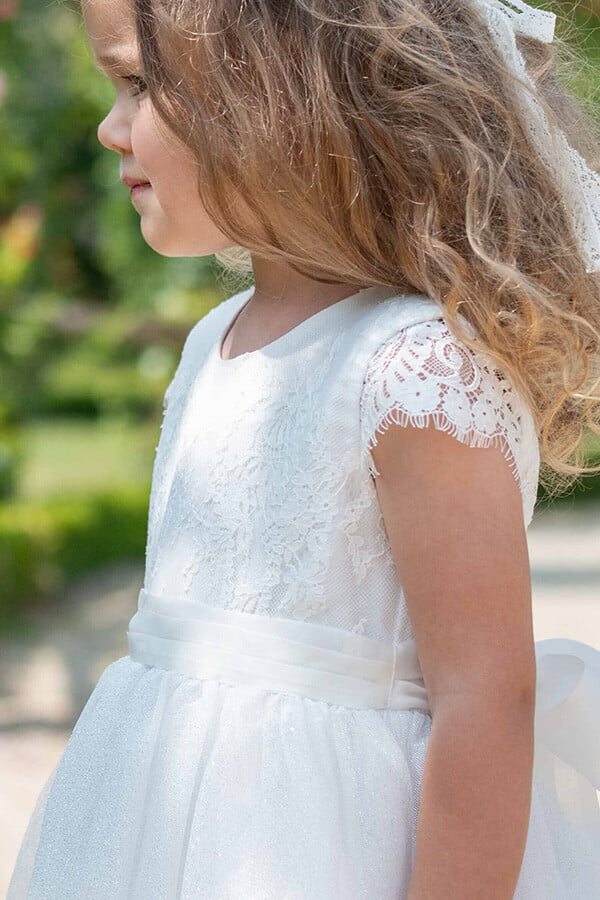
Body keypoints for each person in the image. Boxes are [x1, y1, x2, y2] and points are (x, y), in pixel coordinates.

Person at [7, 0, 600, 897]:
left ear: (276, 92)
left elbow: (486, 700)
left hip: (322, 845)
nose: (108, 127)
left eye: (137, 83)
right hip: (154, 820)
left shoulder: (414, 364)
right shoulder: (215, 338)